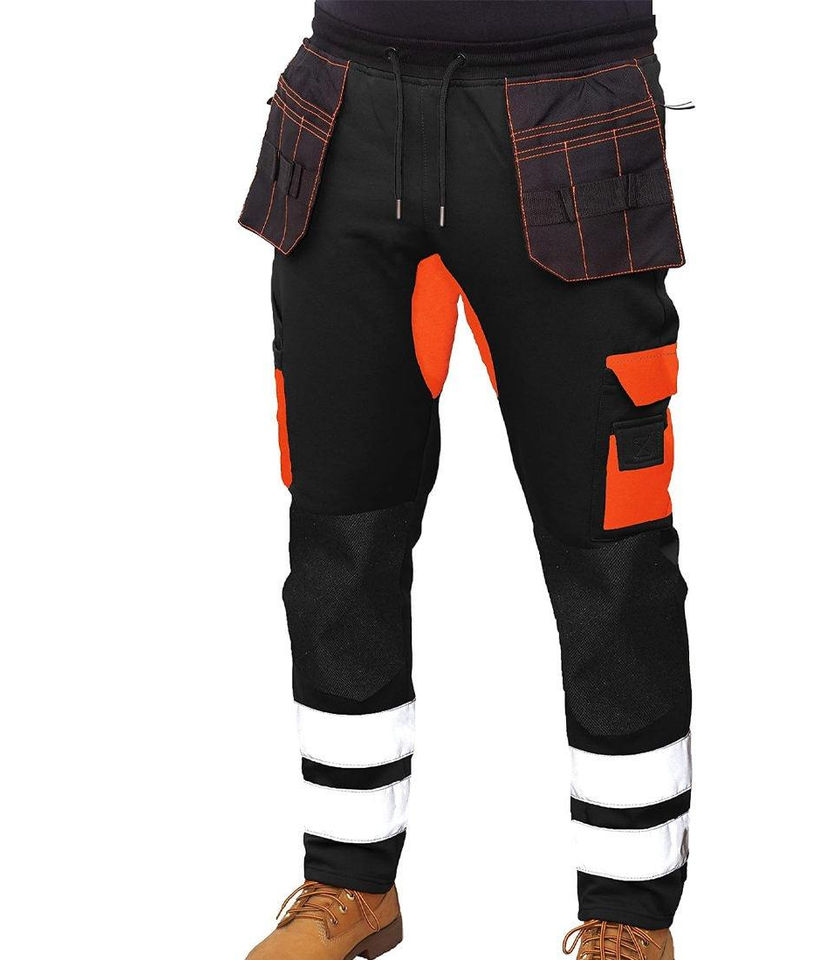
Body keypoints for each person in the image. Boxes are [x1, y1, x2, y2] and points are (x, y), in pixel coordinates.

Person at [239, 3, 691, 957]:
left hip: (571, 103)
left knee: (607, 534)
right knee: (338, 522)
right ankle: (348, 882)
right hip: (347, 100)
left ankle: (630, 915)